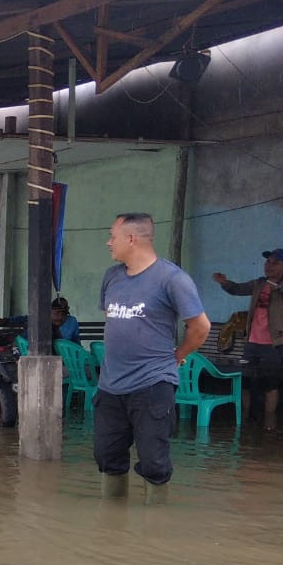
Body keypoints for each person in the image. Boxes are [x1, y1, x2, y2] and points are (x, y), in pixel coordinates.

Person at [95, 213, 210, 502]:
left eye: (113, 236)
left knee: (154, 463)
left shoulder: (172, 279)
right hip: (110, 385)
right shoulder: (111, 276)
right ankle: (112, 528)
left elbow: (200, 327)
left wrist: (177, 356)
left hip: (152, 385)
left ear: (131, 239)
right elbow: (112, 319)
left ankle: (152, 533)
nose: (109, 243)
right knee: (107, 457)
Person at [212, 248, 283, 430]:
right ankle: (244, 420)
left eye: (274, 263)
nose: (269, 266)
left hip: (274, 343)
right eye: (267, 262)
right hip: (252, 342)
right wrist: (225, 283)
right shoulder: (259, 283)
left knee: (270, 384)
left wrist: (278, 287)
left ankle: (269, 425)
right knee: (246, 382)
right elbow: (238, 289)